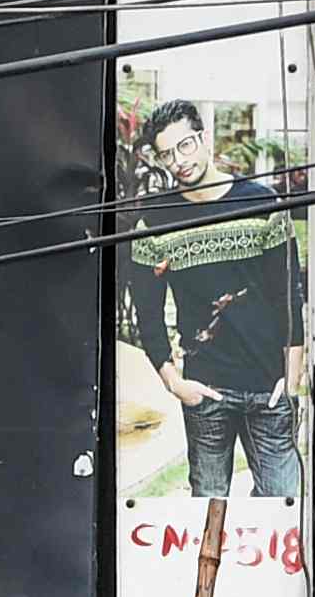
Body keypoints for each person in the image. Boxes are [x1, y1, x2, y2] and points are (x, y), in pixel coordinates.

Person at [125, 96, 305, 502]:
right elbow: (147, 314)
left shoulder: (261, 204)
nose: (178, 161)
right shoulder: (154, 219)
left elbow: (289, 294)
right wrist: (176, 384)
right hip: (205, 392)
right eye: (166, 155)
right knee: (207, 516)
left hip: (268, 389)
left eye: (185, 146)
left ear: (204, 139)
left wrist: (289, 382)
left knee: (282, 511)